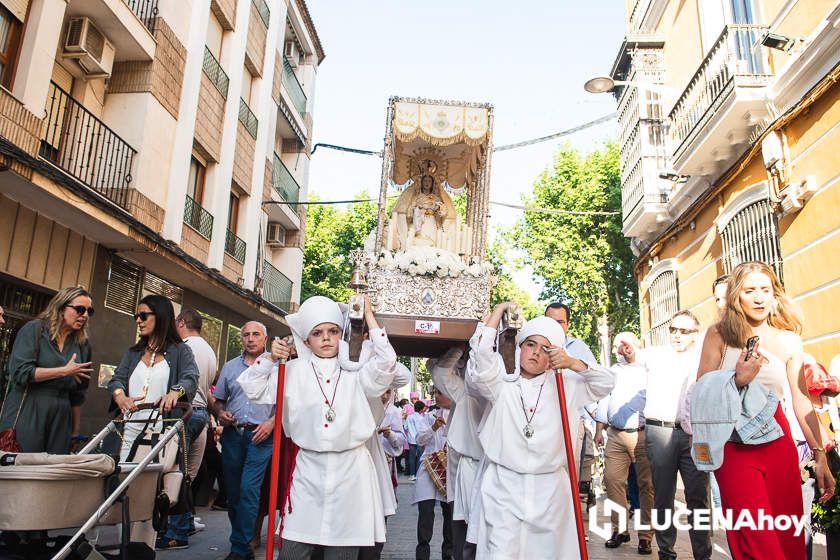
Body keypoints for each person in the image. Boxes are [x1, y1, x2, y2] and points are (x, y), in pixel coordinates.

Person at [696, 261, 834, 559]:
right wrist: (737, 379)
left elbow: (801, 401)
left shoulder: (789, 340)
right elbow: (701, 393)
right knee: (757, 541)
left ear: (775, 295)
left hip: (778, 442)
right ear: (736, 296)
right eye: (750, 290)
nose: (759, 298)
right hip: (733, 447)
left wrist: (820, 456)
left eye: (765, 290)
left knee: (788, 540)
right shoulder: (718, 335)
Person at [468, 303, 614, 558]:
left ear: (554, 355)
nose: (536, 353)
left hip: (550, 494)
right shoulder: (501, 386)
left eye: (545, 349)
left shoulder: (567, 385)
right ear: (520, 348)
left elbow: (606, 383)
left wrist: (572, 363)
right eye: (530, 345)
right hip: (505, 490)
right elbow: (482, 357)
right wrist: (498, 311)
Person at [259, 295, 397, 559]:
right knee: (292, 550)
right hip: (308, 473)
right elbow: (255, 390)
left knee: (341, 552)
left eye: (333, 331)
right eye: (317, 333)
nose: (326, 338)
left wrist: (368, 316)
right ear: (306, 339)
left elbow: (386, 365)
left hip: (350, 475)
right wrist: (269, 358)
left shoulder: (357, 369)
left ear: (341, 334)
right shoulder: (293, 369)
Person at [642, 310, 711, 560]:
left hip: (696, 436)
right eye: (673, 329)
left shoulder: (705, 359)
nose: (677, 335)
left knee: (699, 498)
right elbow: (631, 359)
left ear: (695, 334)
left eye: (684, 331)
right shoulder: (655, 356)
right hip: (660, 432)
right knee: (663, 497)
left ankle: (703, 554)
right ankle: (666, 553)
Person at [0, 287, 93, 455]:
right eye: (80, 309)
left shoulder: (82, 344)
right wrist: (63, 371)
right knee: (23, 467)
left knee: (53, 471)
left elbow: (79, 393)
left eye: (89, 311)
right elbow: (20, 372)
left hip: (62, 415)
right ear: (61, 307)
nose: (85, 315)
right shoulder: (34, 330)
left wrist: (75, 432)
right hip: (29, 407)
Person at [212, 321, 275, 560]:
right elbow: (218, 400)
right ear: (241, 339)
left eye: (256, 334)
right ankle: (241, 541)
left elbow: (286, 406)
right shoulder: (229, 367)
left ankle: (240, 549)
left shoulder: (277, 368)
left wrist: (270, 424)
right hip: (233, 435)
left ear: (265, 338)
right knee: (234, 493)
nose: (251, 338)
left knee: (249, 489)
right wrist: (220, 413)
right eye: (246, 334)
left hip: (261, 437)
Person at [157, 308, 218, 550]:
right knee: (186, 475)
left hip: (185, 411)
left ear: (181, 323)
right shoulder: (210, 351)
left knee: (174, 473)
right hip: (201, 414)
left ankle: (176, 531)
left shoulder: (184, 347)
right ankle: (186, 522)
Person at [594, 332, 653, 554]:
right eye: (617, 345)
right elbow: (604, 400)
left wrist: (634, 354)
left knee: (646, 485)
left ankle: (646, 535)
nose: (618, 350)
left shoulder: (647, 368)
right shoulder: (613, 372)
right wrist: (599, 430)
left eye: (623, 344)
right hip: (615, 435)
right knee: (611, 481)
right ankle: (620, 530)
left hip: (642, 435)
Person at [430, 345, 482, 560]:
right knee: (464, 538)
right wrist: (460, 348)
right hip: (467, 474)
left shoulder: (502, 388)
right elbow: (438, 370)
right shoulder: (465, 391)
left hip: (490, 473)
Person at [545, 302, 599, 504]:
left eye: (560, 322)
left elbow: (596, 381)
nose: (556, 327)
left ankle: (569, 530)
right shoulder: (531, 346)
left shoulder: (579, 348)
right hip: (540, 420)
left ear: (567, 325)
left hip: (572, 422)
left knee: (568, 478)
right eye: (551, 321)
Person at [413, 388, 454, 560]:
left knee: (450, 518)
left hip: (450, 471)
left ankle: (448, 555)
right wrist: (434, 427)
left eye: (440, 392)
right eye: (435, 392)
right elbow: (419, 440)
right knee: (426, 516)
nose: (436, 396)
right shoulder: (429, 416)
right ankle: (422, 555)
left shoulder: (458, 415)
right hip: (429, 469)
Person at [406, 400, 428, 481]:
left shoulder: (409, 417)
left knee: (411, 457)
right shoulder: (421, 418)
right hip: (419, 440)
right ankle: (418, 474)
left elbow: (405, 427)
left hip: (411, 439)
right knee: (419, 457)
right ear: (421, 409)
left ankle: (412, 474)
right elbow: (421, 430)